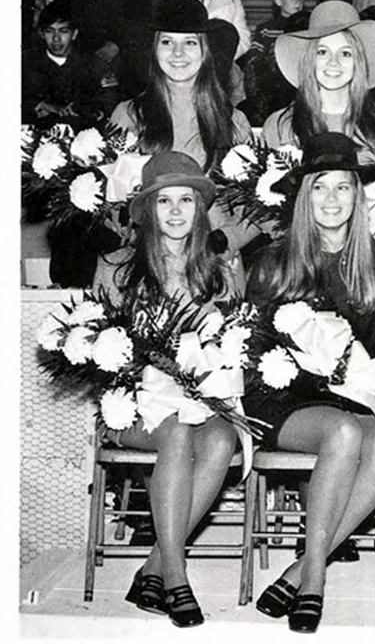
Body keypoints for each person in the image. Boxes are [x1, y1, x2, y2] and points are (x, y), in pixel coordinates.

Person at [244, 133, 375, 633]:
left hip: (350, 394)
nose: (331, 200)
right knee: (344, 434)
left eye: (343, 188)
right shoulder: (273, 259)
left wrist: (371, 376)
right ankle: (315, 579)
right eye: (319, 188)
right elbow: (251, 352)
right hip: (283, 398)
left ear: (359, 197)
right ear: (303, 196)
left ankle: (298, 567)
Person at [92, 152, 243, 628]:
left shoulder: (220, 267)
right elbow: (97, 350)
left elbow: (235, 346)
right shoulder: (116, 266)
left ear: (200, 210)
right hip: (133, 405)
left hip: (201, 400)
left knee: (220, 439)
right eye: (163, 201)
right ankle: (176, 576)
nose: (176, 211)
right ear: (146, 210)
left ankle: (152, 568)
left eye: (186, 201)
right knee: (177, 432)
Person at [262, 0, 375, 296]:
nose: (333, 63)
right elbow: (266, 204)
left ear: (359, 62)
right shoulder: (281, 126)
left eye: (345, 53)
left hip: (368, 272)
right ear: (308, 60)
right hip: (301, 271)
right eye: (322, 52)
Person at [109, 0, 255, 264]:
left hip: (215, 263)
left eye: (189, 42)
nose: (178, 53)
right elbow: (108, 201)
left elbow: (258, 204)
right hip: (147, 263)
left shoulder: (233, 121)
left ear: (205, 51)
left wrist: (227, 242)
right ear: (153, 50)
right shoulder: (128, 116)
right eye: (167, 42)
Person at [22, 0, 119, 129]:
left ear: (74, 34)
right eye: (49, 31)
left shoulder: (94, 64)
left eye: (63, 31)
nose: (56, 38)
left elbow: (111, 99)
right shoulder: (25, 63)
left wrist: (87, 109)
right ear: (42, 34)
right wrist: (40, 106)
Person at [240, 0, 310, 126]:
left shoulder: (308, 26)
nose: (298, 2)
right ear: (278, 1)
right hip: (274, 83)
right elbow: (254, 58)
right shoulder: (267, 28)